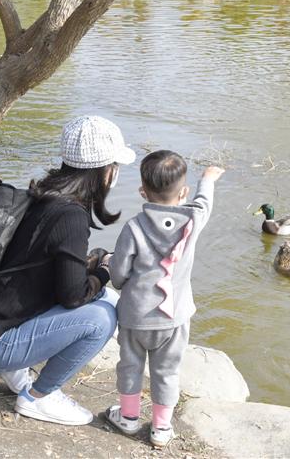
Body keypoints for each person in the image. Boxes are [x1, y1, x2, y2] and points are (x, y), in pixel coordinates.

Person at [0, 115, 135, 426]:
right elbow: (72, 297)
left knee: (99, 299)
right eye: (115, 166)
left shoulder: (42, 193)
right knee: (104, 314)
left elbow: (42, 272)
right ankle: (39, 397)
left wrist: (90, 268)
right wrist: (105, 270)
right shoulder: (71, 216)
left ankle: (17, 372)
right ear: (104, 171)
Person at [105, 150, 224, 447]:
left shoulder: (133, 227)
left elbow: (118, 273)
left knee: (130, 365)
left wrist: (120, 281)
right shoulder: (192, 222)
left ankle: (129, 418)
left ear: (142, 192)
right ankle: (160, 428)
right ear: (183, 192)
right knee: (167, 370)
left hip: (134, 317)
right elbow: (204, 204)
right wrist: (207, 178)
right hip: (174, 319)